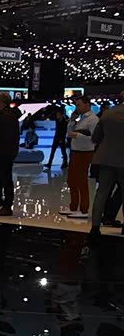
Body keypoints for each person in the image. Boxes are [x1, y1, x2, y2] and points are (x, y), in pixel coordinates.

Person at [90, 91, 124, 237]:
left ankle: (95, 227)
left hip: (106, 158)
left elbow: (95, 138)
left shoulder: (108, 113)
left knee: (102, 192)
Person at [60, 96, 99, 219]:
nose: (77, 108)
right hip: (76, 151)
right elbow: (69, 133)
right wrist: (72, 121)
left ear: (87, 105)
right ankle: (73, 207)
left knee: (81, 181)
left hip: (84, 153)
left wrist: (77, 136)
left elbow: (94, 139)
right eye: (76, 105)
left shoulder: (93, 119)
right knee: (72, 180)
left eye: (79, 105)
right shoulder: (81, 118)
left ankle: (83, 209)